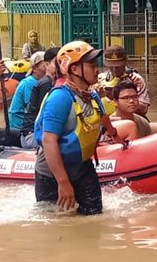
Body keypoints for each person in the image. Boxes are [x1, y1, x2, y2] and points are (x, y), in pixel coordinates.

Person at [34, 41, 125, 215]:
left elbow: (104, 119)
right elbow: (48, 140)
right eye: (91, 65)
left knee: (95, 216)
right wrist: (63, 182)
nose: (97, 69)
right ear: (75, 69)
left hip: (82, 167)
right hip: (52, 174)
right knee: (59, 226)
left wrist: (116, 137)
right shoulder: (59, 98)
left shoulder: (91, 96)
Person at [19, 47, 59, 149]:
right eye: (56, 62)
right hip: (32, 135)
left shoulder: (51, 82)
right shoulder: (46, 83)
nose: (59, 66)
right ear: (46, 65)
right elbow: (47, 115)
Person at [97, 45, 149, 115]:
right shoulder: (100, 79)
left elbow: (144, 109)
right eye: (111, 66)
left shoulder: (136, 80)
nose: (115, 70)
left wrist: (118, 99)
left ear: (125, 61)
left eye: (118, 66)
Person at [9, 51, 46, 130]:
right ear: (34, 68)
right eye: (44, 66)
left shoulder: (40, 82)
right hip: (20, 125)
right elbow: (33, 107)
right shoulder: (29, 83)